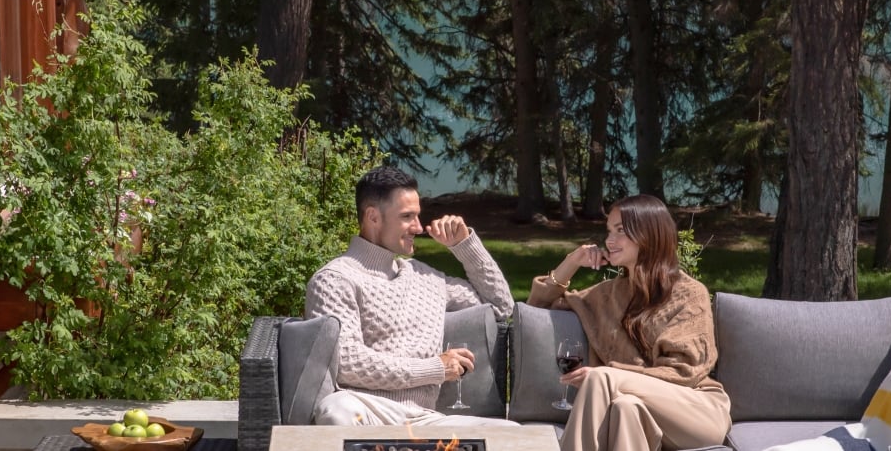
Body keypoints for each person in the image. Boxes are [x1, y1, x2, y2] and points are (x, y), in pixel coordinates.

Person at [305, 166, 519, 427]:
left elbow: (502, 306)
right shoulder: (335, 279)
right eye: (407, 217)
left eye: (418, 216)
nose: (418, 227)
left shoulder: (426, 277)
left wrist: (464, 245)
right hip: (367, 410)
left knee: (515, 438)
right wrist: (434, 368)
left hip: (423, 420)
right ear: (373, 217)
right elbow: (348, 362)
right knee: (336, 410)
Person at [529, 195, 729, 451]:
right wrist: (572, 261)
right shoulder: (608, 294)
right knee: (625, 409)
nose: (610, 241)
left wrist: (613, 375)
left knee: (600, 379)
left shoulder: (690, 294)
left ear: (649, 234)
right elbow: (538, 306)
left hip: (696, 410)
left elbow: (684, 374)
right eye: (609, 231)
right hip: (637, 407)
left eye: (621, 230)